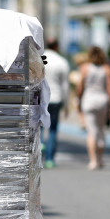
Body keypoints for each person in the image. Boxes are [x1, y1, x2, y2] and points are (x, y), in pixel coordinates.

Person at [76, 46, 110, 170]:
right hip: (102, 100)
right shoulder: (106, 69)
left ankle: (93, 160)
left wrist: (78, 100)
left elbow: (80, 86)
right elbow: (109, 90)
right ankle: (100, 158)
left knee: (92, 131)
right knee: (101, 130)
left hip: (89, 100)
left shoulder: (85, 68)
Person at [42, 38, 70, 168]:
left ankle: (40, 143)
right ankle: (49, 159)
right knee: (53, 129)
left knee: (39, 125)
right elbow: (65, 85)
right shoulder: (62, 62)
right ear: (57, 46)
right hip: (56, 97)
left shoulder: (39, 58)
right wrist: (67, 103)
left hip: (41, 97)